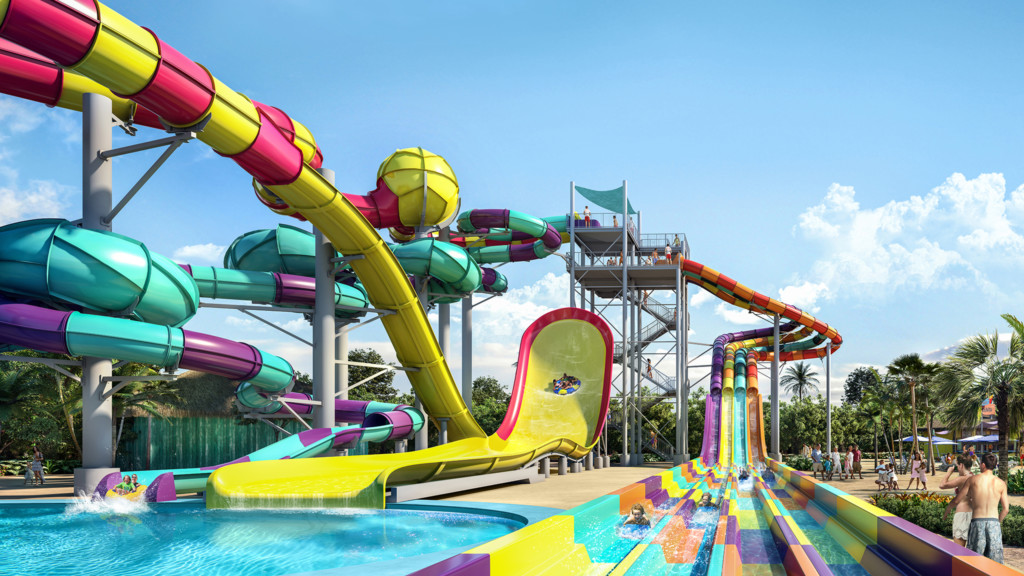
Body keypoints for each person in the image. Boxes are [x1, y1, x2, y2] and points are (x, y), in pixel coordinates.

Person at [946, 453, 1008, 562]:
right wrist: (997, 522)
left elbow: (957, 500)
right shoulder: (1001, 483)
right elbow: (1005, 509)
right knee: (995, 562)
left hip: (977, 522)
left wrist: (947, 509)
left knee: (975, 561)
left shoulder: (973, 480)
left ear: (983, 465)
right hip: (994, 523)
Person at [941, 455, 975, 547]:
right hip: (974, 515)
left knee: (959, 549)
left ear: (961, 465)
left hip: (962, 515)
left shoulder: (962, 479)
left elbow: (942, 485)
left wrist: (949, 472)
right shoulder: (974, 477)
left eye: (957, 466)